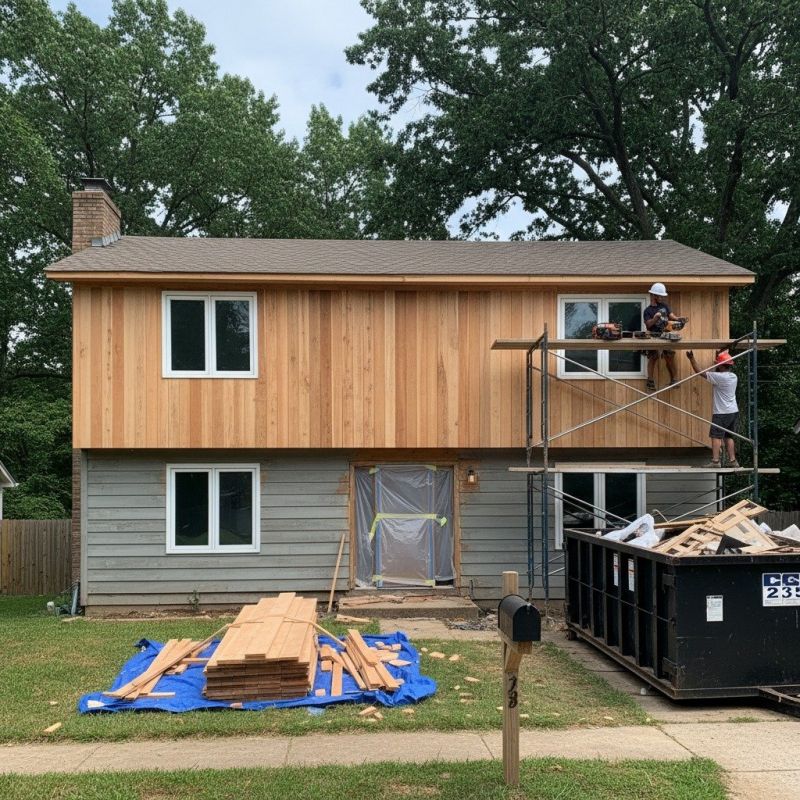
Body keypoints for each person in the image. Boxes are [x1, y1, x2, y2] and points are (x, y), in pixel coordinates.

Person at [686, 349, 740, 468]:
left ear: (720, 366)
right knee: (728, 436)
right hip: (733, 412)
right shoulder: (733, 376)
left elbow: (699, 372)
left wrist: (691, 359)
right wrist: (719, 356)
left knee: (716, 436)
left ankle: (715, 461)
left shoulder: (720, 377)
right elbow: (718, 369)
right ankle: (733, 461)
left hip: (721, 413)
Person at [643, 283, 684, 390]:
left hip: (665, 334)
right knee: (653, 357)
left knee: (669, 356)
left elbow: (672, 316)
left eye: (662, 296)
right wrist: (655, 318)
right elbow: (648, 325)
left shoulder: (664, 306)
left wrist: (678, 319)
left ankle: (674, 380)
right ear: (653, 295)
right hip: (653, 335)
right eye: (659, 296)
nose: (661, 298)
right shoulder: (648, 311)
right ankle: (650, 381)